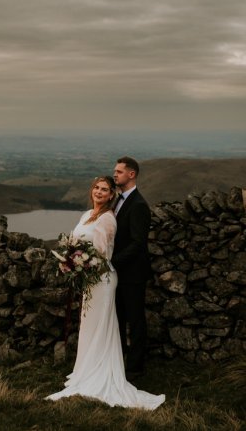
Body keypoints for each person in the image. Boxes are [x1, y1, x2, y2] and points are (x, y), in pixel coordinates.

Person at [46, 176, 164, 410]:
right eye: (97, 188)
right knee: (89, 325)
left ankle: (100, 375)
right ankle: (86, 370)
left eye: (105, 190)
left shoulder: (108, 219)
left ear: (111, 195)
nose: (99, 192)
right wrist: (71, 262)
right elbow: (76, 244)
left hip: (102, 279)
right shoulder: (85, 215)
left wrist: (80, 264)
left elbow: (103, 255)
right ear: (92, 191)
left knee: (101, 326)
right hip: (89, 280)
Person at [112, 156, 151, 380]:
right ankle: (119, 361)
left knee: (135, 321)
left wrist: (112, 261)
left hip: (133, 274)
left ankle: (135, 368)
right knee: (118, 317)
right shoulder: (119, 200)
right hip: (120, 273)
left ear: (131, 174)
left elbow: (138, 243)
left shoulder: (138, 205)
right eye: (115, 171)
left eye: (119, 171)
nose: (115, 174)